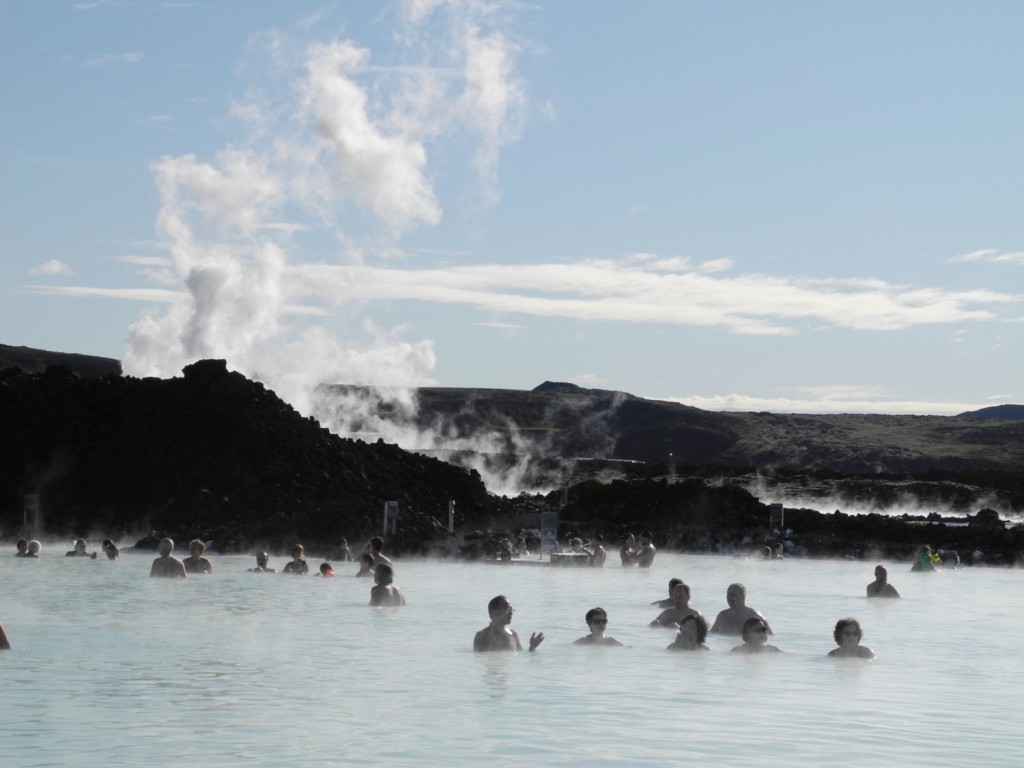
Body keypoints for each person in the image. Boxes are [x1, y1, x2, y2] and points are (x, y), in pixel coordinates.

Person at [473, 595, 544, 652]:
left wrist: (532, 647)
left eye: (511, 609)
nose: (511, 612)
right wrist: (492, 644)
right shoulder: (482, 636)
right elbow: (479, 660)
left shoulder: (513, 634)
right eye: (507, 609)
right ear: (495, 613)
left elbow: (520, 657)